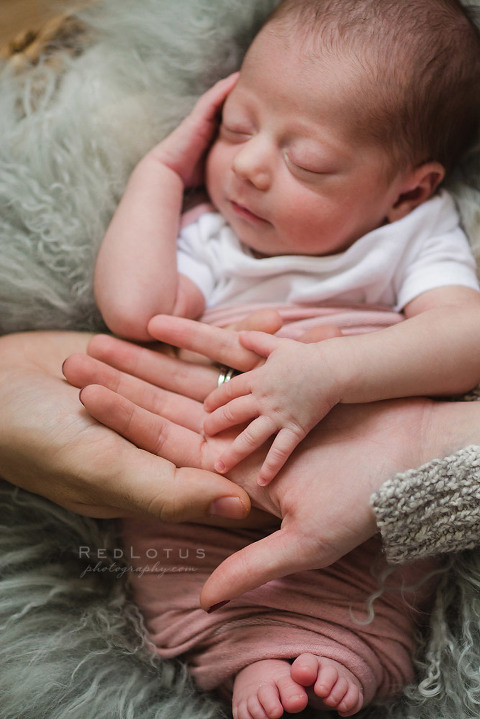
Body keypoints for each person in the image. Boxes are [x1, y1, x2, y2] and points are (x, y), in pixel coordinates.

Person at [74, 0, 480, 716]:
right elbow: (138, 313)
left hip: (361, 457)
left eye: (307, 158)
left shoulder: (411, 235)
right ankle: (244, 658)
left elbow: (464, 343)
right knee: (179, 536)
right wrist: (164, 171)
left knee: (389, 547)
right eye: (237, 127)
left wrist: (332, 373)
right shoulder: (213, 235)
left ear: (406, 189)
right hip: (215, 471)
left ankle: (339, 652)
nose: (251, 165)